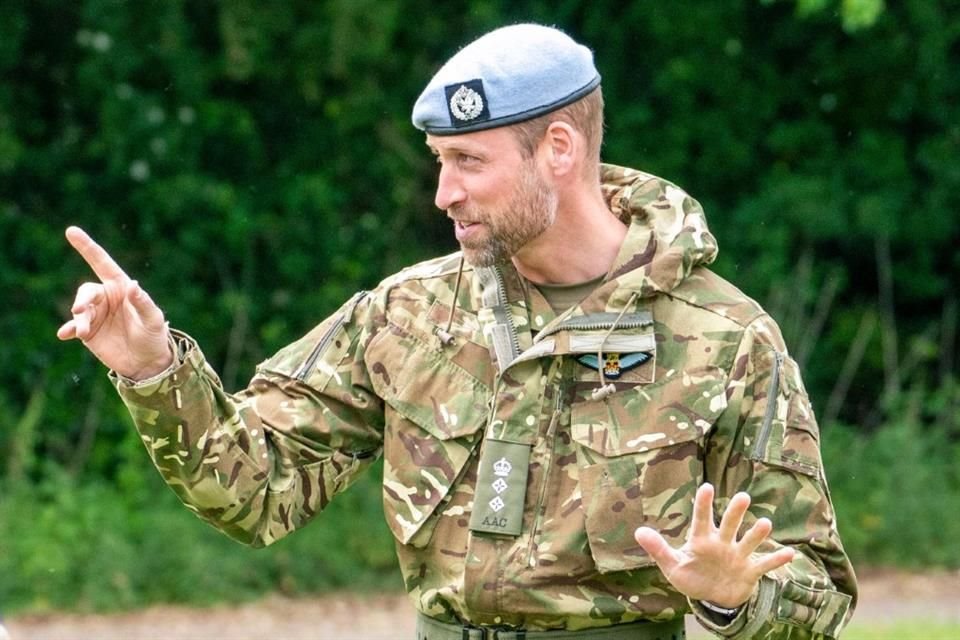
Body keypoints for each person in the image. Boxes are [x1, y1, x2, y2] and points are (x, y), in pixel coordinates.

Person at [58, 23, 857, 639]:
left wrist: (732, 597)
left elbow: (819, 598)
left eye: (469, 161)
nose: (444, 192)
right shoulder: (409, 314)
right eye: (439, 160)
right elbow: (255, 491)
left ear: (558, 150)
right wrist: (155, 370)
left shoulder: (725, 339)